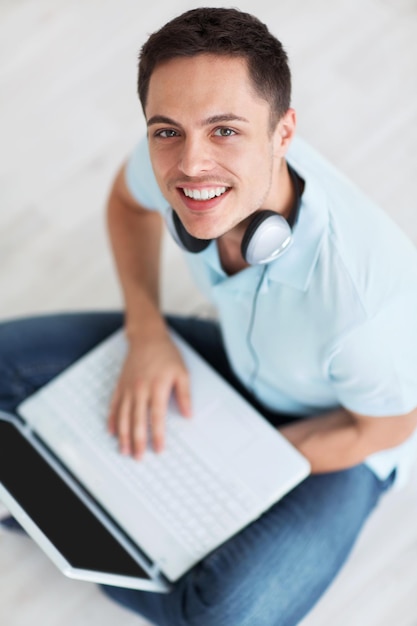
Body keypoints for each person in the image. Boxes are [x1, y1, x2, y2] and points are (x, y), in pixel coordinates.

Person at [1, 7, 417, 625]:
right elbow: (126, 202)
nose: (191, 165)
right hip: (238, 359)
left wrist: (236, 466)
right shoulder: (171, 155)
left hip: (336, 430)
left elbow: (387, 428)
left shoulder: (366, 313)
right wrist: (147, 330)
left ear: (283, 133)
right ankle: (78, 522)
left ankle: (92, 531)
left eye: (225, 130)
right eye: (167, 130)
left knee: (227, 614)